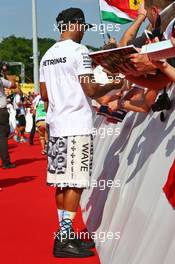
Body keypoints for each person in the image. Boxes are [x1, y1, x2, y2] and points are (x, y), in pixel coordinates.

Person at [40, 7, 123, 258]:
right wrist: (114, 84)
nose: (84, 33)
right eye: (83, 27)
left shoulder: (47, 55)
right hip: (76, 125)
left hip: (57, 126)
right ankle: (64, 240)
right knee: (75, 183)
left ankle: (65, 235)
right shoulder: (80, 52)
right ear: (75, 24)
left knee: (62, 183)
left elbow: (44, 95)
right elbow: (90, 90)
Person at [0, 77, 16, 169]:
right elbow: (13, 85)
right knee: (2, 137)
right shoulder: (1, 80)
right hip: (1, 110)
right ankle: (6, 163)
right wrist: (9, 77)